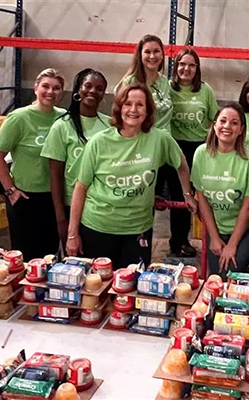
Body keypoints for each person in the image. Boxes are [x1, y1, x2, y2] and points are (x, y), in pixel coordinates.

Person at [65, 83, 196, 269]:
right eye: (127, 104)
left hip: (138, 230)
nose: (133, 110)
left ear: (148, 109)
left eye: (140, 104)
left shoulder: (160, 139)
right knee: (98, 289)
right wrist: (72, 234)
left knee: (132, 289)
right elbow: (80, 188)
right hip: (98, 227)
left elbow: (182, 165)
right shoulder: (99, 142)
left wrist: (187, 194)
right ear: (119, 108)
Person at [0, 68, 65, 260]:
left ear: (62, 92)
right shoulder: (19, 118)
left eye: (56, 88)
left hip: (54, 197)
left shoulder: (64, 118)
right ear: (35, 88)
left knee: (50, 254)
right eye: (46, 86)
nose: (50, 92)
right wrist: (10, 190)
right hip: (24, 198)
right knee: (25, 256)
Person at [191, 102, 249, 277]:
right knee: (217, 274)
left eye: (234, 123)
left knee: (231, 270)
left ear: (241, 129)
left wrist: (233, 245)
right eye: (223, 121)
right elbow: (202, 198)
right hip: (219, 225)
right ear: (215, 124)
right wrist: (214, 237)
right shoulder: (201, 154)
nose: (227, 126)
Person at [41, 68, 110, 248]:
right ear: (78, 89)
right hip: (71, 205)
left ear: (104, 94)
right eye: (88, 86)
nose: (93, 91)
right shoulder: (62, 126)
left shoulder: (110, 125)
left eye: (99, 88)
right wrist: (61, 219)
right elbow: (55, 175)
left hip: (100, 206)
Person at [167, 48, 219, 256]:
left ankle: (211, 239)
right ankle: (178, 241)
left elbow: (215, 119)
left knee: (201, 196)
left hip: (199, 148)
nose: (186, 69)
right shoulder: (167, 88)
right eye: (182, 64)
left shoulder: (205, 91)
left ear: (197, 69)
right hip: (173, 147)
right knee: (179, 196)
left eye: (191, 65)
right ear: (176, 66)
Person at [115, 34, 172, 133]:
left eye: (156, 51)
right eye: (147, 52)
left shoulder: (165, 82)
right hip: (142, 139)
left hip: (164, 140)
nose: (152, 56)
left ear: (162, 55)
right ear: (140, 55)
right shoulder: (130, 82)